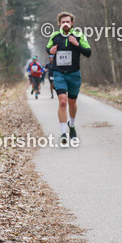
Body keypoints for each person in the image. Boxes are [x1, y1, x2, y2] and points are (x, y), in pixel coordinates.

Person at [47, 12, 92, 146]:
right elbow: (47, 48)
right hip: (59, 73)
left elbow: (88, 53)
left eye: (68, 21)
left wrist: (77, 44)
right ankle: (63, 133)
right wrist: (50, 51)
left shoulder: (79, 35)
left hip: (74, 74)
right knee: (62, 101)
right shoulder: (54, 36)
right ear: (59, 24)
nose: (65, 24)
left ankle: (71, 125)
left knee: (72, 103)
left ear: (72, 23)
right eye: (63, 22)